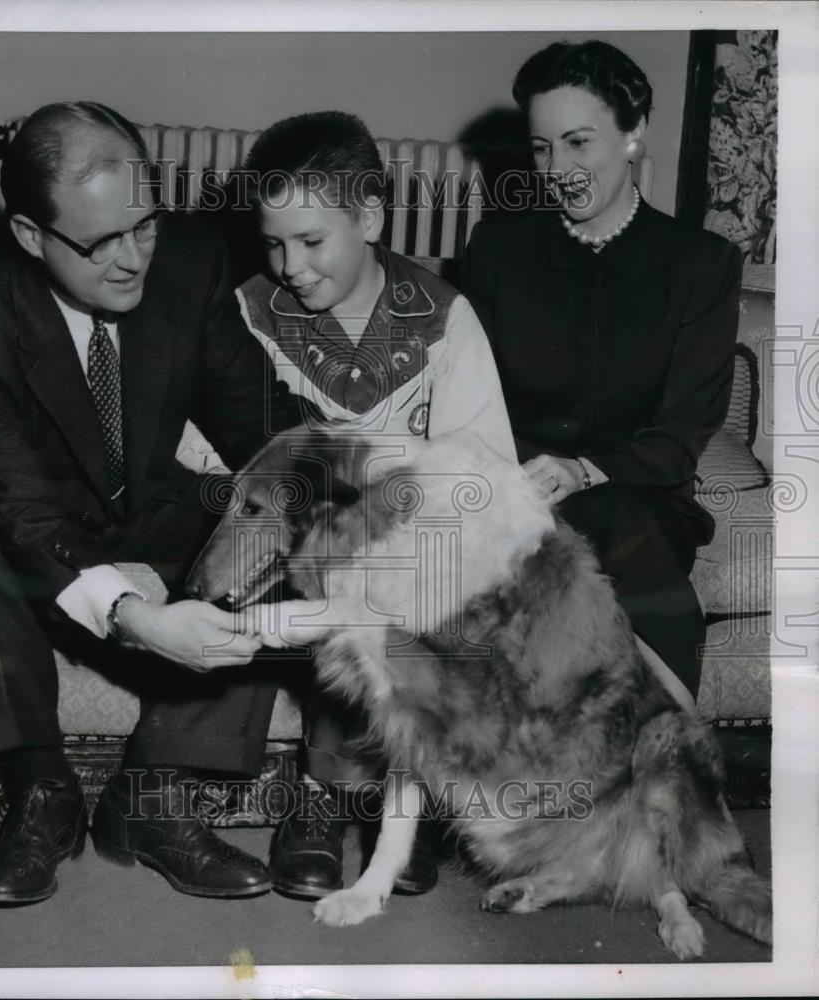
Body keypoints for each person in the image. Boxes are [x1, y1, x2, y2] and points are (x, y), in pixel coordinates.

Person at [0, 102, 302, 907]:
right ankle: (40, 786)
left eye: (141, 225)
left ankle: (152, 795)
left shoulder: (193, 261)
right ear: (32, 236)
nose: (132, 258)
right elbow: (26, 515)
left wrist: (352, 485)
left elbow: (260, 420)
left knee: (288, 496)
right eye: (98, 241)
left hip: (139, 502)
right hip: (20, 537)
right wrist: (138, 615)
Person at [236, 110, 518, 900]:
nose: (289, 265)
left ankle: (408, 799)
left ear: (368, 217)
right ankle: (323, 797)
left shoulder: (442, 318)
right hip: (299, 529)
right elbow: (221, 444)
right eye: (273, 242)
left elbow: (482, 463)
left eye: (311, 240)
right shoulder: (254, 313)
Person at [463, 40, 743, 700]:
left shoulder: (700, 265)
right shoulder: (499, 249)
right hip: (516, 492)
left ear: (635, 133)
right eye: (541, 147)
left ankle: (670, 761)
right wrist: (524, 477)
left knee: (621, 528)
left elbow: (679, 437)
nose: (558, 168)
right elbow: (470, 403)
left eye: (579, 142)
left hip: (639, 499)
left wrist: (584, 470)